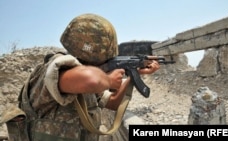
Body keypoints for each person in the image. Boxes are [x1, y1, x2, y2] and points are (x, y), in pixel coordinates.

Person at [4, 13, 160, 141]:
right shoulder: (54, 69)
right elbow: (91, 79)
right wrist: (109, 80)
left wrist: (134, 75)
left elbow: (112, 103)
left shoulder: (83, 79)